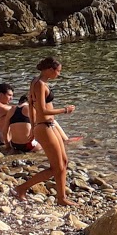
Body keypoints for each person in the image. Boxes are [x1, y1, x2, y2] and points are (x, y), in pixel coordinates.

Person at [13, 57, 77, 205]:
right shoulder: (40, 84)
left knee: (64, 162)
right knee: (56, 167)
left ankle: (62, 198)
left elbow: (30, 103)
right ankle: (21, 188)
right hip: (45, 126)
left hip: (47, 126)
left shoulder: (35, 82)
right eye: (58, 71)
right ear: (50, 69)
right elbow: (41, 110)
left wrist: (33, 127)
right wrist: (65, 110)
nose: (59, 75)